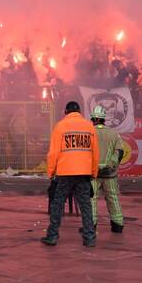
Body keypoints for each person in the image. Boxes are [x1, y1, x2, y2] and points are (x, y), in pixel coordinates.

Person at [42, 101, 99, 247]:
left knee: (58, 204)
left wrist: (51, 172)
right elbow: (95, 153)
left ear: (65, 112)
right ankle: (89, 238)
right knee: (86, 206)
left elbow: (53, 153)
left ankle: (52, 235)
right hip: (84, 173)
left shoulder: (60, 126)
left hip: (65, 173)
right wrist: (93, 172)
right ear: (79, 111)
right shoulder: (89, 126)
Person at [89, 105, 124, 233]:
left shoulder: (90, 134)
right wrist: (110, 166)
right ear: (104, 119)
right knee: (113, 198)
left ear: (95, 119)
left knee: (91, 199)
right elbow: (119, 152)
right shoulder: (114, 134)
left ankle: (91, 225)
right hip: (110, 175)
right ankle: (118, 224)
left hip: (93, 174)